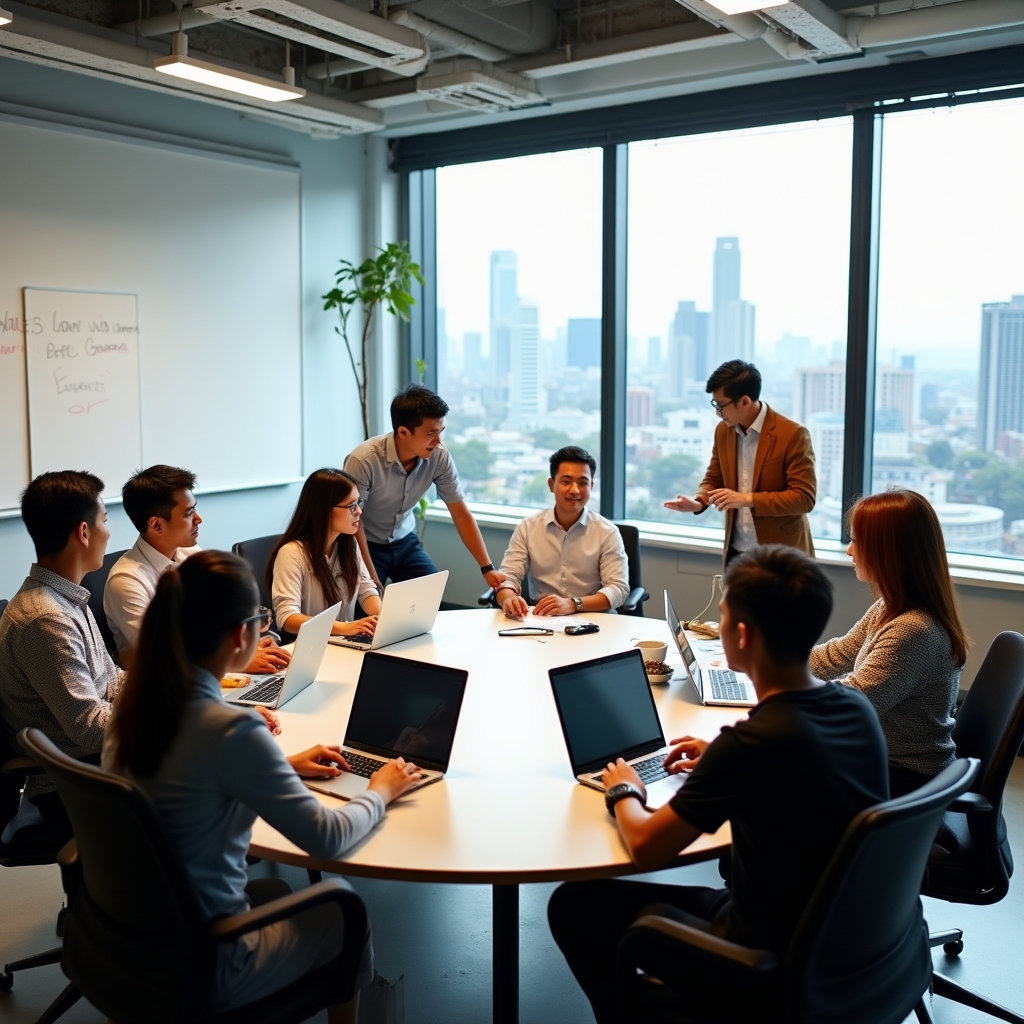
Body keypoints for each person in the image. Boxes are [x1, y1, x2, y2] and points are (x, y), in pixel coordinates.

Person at [547, 545, 888, 1024]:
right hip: (843, 940)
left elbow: (647, 848)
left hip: (765, 960)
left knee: (574, 904)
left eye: (723, 618)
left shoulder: (750, 744)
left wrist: (624, 788)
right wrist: (721, 764)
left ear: (742, 636)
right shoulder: (856, 710)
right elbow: (795, 775)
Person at [103, 550, 423, 1022]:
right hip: (208, 962)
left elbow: (185, 777)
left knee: (272, 890)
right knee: (345, 911)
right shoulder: (231, 732)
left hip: (131, 940)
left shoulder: (131, 710)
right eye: (260, 617)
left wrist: (285, 766)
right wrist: (382, 790)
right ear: (241, 636)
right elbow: (326, 839)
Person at [811, 489, 969, 798]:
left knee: (769, 780)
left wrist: (778, 684)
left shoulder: (913, 630)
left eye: (856, 541)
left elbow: (848, 704)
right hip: (880, 762)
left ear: (887, 552)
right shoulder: (889, 607)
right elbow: (835, 656)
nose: (849, 551)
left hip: (903, 779)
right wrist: (771, 661)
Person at [0, 471, 124, 830]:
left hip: (100, 761)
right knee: (208, 783)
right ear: (83, 533)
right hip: (75, 782)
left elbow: (112, 680)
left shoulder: (67, 597)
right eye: (105, 521)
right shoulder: (45, 618)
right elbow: (88, 728)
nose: (109, 532)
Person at [104, 465, 289, 674]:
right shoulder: (127, 580)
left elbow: (224, 615)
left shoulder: (189, 554)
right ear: (156, 525)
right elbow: (165, 650)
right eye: (189, 513)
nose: (198, 519)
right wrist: (236, 660)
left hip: (211, 671)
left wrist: (247, 647)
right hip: (169, 686)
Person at [344, 385, 505, 593]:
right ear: (403, 432)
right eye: (431, 434)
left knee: (429, 595)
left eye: (441, 432)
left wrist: (487, 568)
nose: (438, 442)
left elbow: (461, 513)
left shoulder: (439, 456)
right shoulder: (363, 460)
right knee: (366, 609)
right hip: (366, 544)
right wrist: (372, 579)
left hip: (405, 540)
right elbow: (355, 523)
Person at [665, 360, 816, 562]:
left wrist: (746, 499)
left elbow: (804, 498)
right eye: (715, 405)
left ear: (744, 402)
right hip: (737, 553)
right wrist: (698, 502)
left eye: (721, 405)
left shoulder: (792, 434)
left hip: (782, 556)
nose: (718, 413)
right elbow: (714, 477)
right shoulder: (723, 431)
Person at [496, 446, 629, 618]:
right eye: (566, 482)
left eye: (583, 483)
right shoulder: (528, 528)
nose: (575, 490)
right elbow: (507, 577)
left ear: (591, 486)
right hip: (543, 618)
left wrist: (573, 604)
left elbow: (618, 588)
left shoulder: (607, 532)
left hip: (594, 619)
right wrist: (509, 598)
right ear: (552, 485)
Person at [267, 469, 382, 638]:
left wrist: (383, 619)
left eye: (358, 503)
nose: (359, 511)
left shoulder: (348, 543)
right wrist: (345, 628)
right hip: (309, 646)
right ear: (324, 510)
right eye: (351, 506)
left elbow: (366, 590)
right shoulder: (292, 553)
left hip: (343, 643)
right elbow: (287, 618)